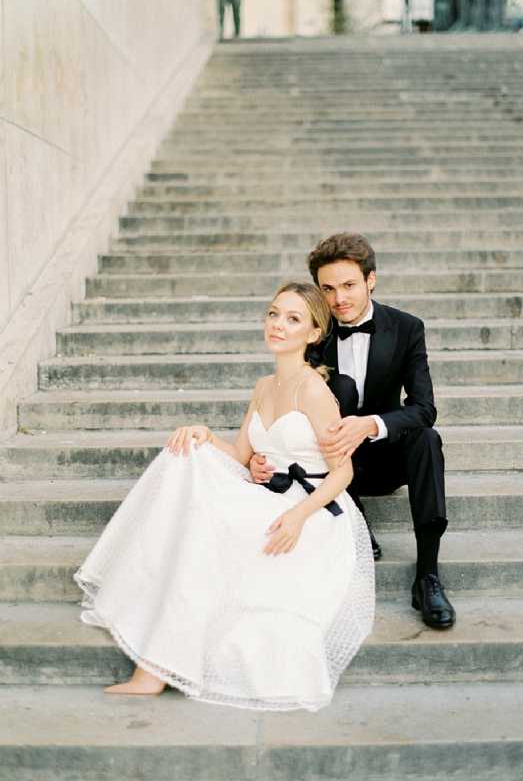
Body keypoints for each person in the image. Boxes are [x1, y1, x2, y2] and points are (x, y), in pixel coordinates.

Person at [73, 282, 374, 711]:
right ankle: (155, 663)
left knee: (208, 530)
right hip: (270, 493)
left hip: (311, 510)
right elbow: (239, 455)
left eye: (292, 319)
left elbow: (343, 472)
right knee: (184, 456)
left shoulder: (313, 391)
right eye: (273, 314)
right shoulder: (264, 386)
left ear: (313, 333)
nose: (278, 325)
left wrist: (298, 517)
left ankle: (154, 669)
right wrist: (204, 434)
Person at [251, 234, 456, 630]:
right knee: (339, 386)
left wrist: (371, 425)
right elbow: (282, 400)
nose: (339, 298)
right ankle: (354, 519)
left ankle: (427, 575)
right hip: (329, 463)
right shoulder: (313, 330)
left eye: (349, 285)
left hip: (383, 454)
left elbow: (424, 408)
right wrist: (263, 454)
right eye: (327, 289)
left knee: (427, 439)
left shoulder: (406, 328)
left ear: (370, 280)